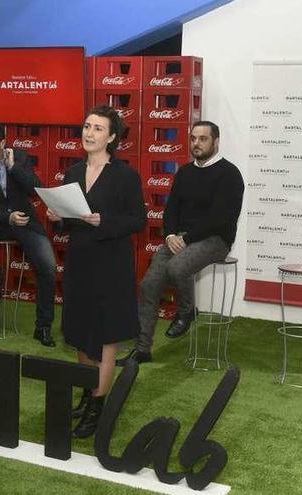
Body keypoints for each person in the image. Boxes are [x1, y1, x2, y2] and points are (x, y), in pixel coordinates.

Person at [47, 105, 146, 438]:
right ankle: (88, 392)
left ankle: (97, 408)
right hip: (80, 262)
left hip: (111, 266)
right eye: (87, 126)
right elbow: (69, 221)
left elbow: (138, 221)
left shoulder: (126, 176)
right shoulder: (72, 172)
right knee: (78, 333)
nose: (89, 133)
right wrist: (58, 216)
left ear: (113, 137)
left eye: (98, 129)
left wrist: (105, 221)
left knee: (104, 339)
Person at [117, 121, 244, 366]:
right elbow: (171, 208)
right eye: (193, 138)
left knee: (177, 268)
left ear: (216, 142)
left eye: (203, 139)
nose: (196, 143)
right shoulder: (184, 172)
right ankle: (142, 349)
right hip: (180, 239)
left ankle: (187, 311)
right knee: (149, 284)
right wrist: (170, 235)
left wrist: (186, 239)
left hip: (215, 240)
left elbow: (220, 218)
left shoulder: (229, 174)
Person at [0, 123, 58, 347]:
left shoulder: (21, 158)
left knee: (48, 267)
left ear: (2, 143)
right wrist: (7, 217)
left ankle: (43, 327)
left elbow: (35, 189)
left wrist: (13, 167)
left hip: (25, 222)